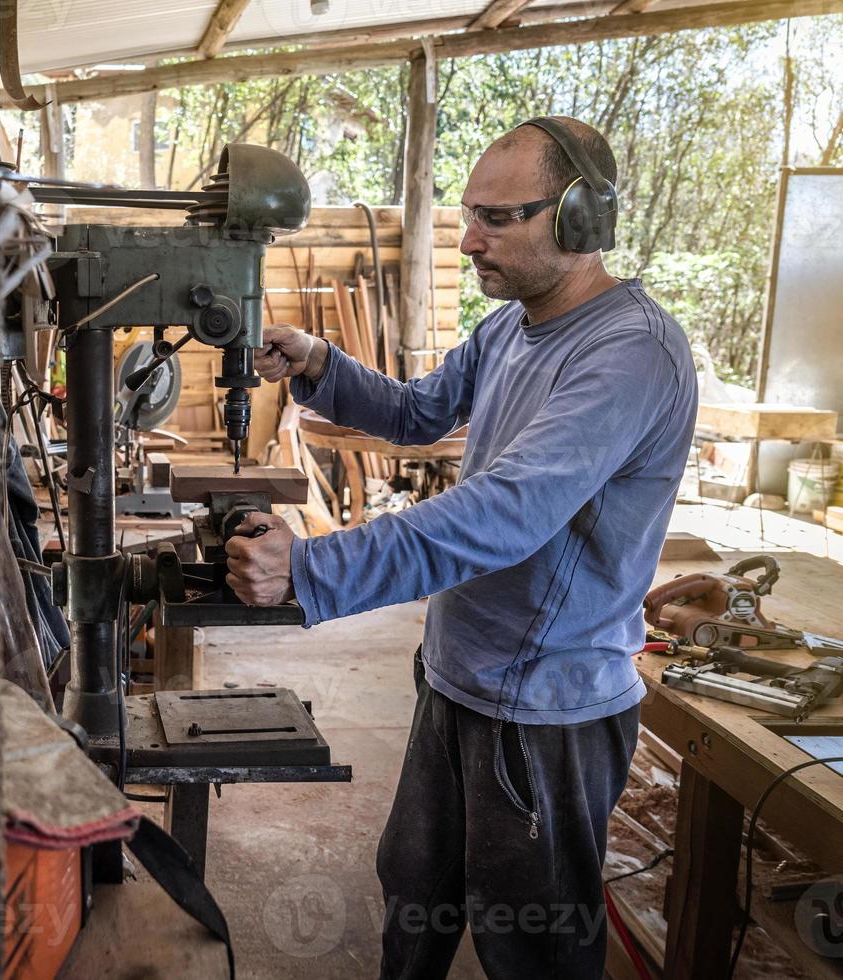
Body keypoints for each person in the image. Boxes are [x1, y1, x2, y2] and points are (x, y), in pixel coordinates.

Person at [226, 116, 698, 979]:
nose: (469, 239)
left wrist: (312, 566)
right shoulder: (509, 328)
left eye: (497, 218)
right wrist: (318, 359)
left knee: (532, 942)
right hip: (460, 674)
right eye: (467, 215)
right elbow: (418, 413)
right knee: (414, 890)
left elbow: (503, 516)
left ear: (582, 218)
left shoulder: (631, 355)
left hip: (545, 706)